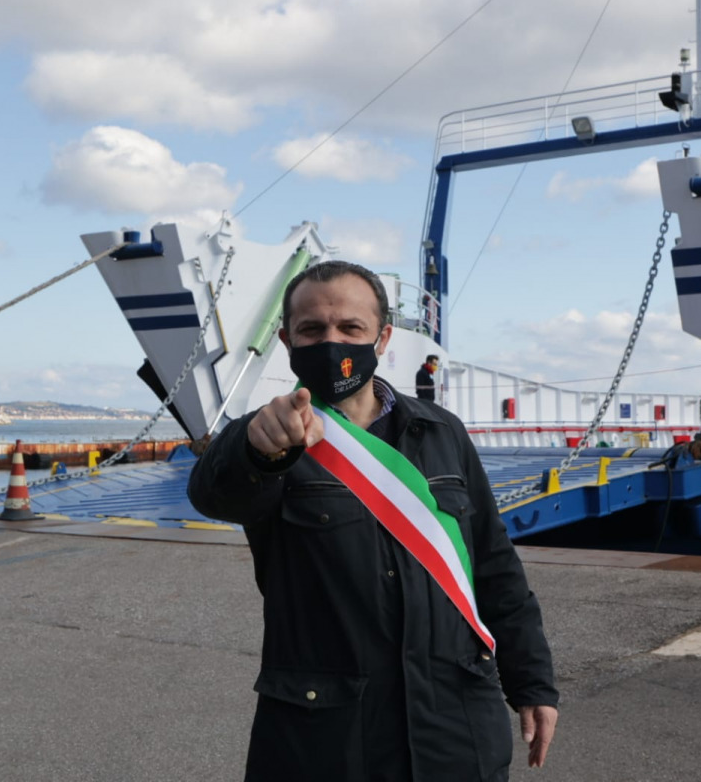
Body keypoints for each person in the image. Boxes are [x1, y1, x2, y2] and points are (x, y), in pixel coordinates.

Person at [188, 260, 558, 782]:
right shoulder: (271, 436)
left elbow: (494, 565)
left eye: (350, 328)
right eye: (311, 330)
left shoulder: (442, 432)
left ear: (382, 338)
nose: (332, 343)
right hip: (326, 739)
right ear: (287, 341)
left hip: (454, 725)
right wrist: (255, 450)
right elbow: (213, 493)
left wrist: (532, 681)